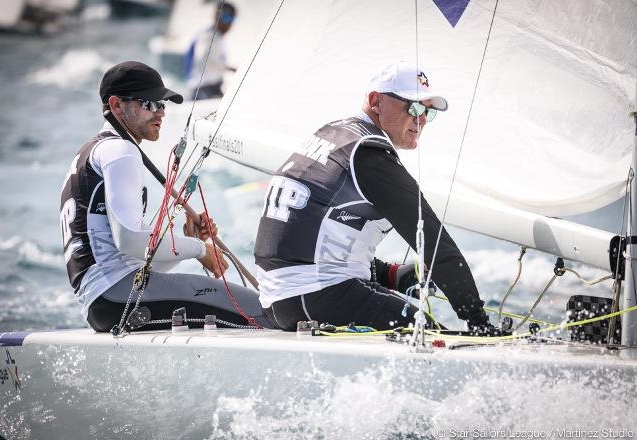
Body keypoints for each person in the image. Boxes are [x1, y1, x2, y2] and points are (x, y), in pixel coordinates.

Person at [254, 61, 502, 335]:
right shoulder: (369, 156)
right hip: (316, 298)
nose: (420, 119)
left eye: (427, 112)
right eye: (413, 107)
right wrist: (478, 321)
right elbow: (434, 242)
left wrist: (389, 275)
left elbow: (312, 236)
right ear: (376, 101)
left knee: (413, 319)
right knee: (430, 332)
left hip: (279, 301)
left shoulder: (334, 135)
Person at [60, 61, 272, 332]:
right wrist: (201, 249)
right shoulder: (120, 152)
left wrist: (188, 241)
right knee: (263, 311)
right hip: (119, 295)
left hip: (107, 301)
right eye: (148, 104)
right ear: (116, 105)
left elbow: (143, 258)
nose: (160, 112)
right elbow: (130, 241)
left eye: (162, 104)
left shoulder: (93, 151)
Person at [184, 2, 236, 100]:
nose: (229, 24)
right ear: (217, 17)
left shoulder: (218, 37)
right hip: (202, 89)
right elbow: (205, 60)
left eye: (232, 20)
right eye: (226, 19)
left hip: (212, 87)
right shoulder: (207, 37)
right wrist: (232, 69)